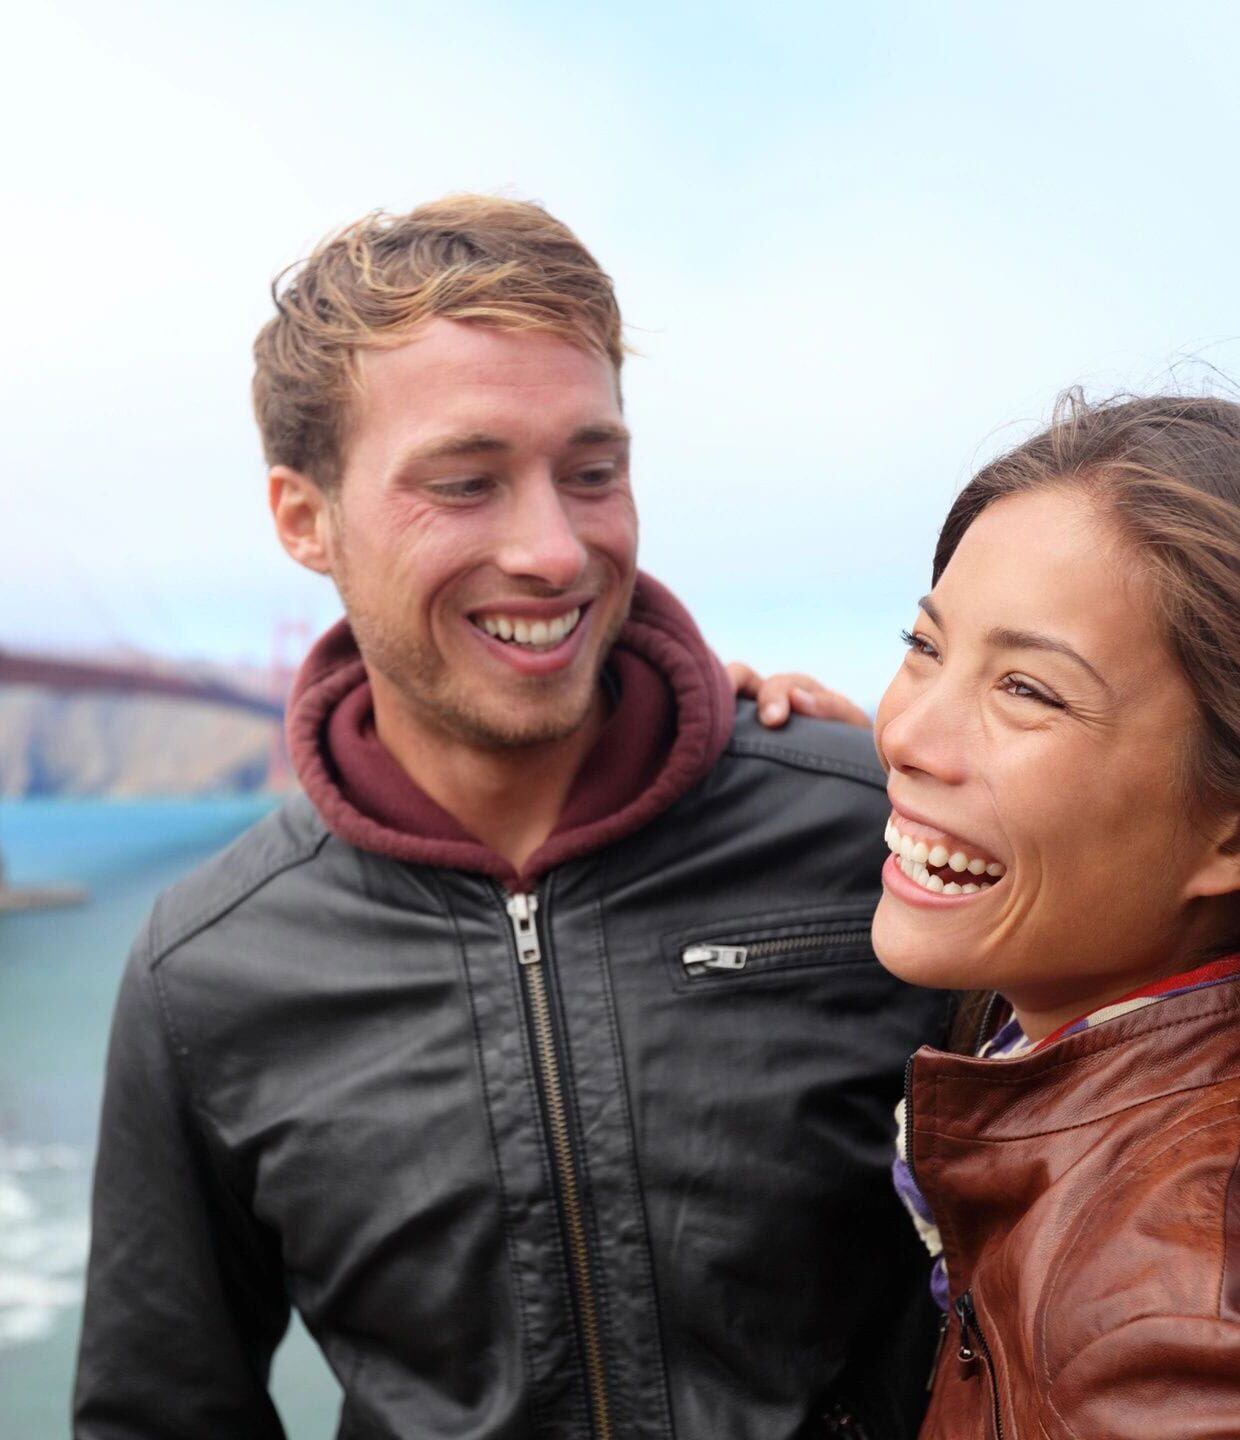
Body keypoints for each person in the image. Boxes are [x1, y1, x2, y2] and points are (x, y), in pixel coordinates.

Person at [72, 196, 948, 1440]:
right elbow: (162, 1412)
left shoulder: (869, 839)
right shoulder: (204, 970)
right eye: (467, 482)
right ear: (302, 518)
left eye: (593, 472)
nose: (552, 550)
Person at [870, 393, 1240, 1436]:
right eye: (924, 644)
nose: (909, 733)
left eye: (1028, 691)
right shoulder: (1115, 1058)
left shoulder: (1201, 1339)